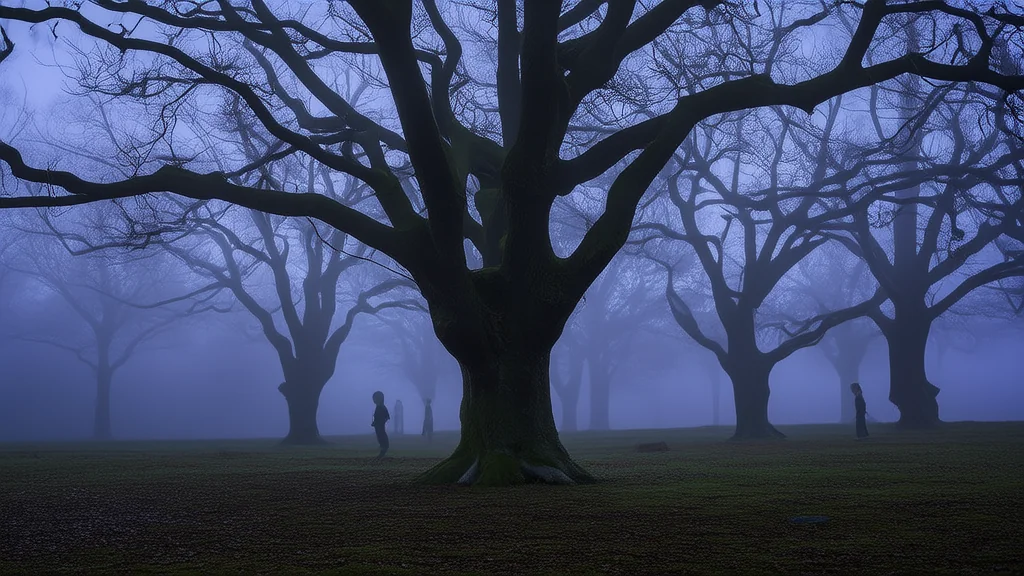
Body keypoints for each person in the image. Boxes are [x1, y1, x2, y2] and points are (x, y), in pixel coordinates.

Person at [371, 391, 391, 458]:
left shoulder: (381, 407)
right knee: (379, 435)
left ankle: (384, 447)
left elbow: (386, 416)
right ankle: (383, 446)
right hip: (378, 424)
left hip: (380, 424)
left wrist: (381, 421)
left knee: (381, 434)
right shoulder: (379, 407)